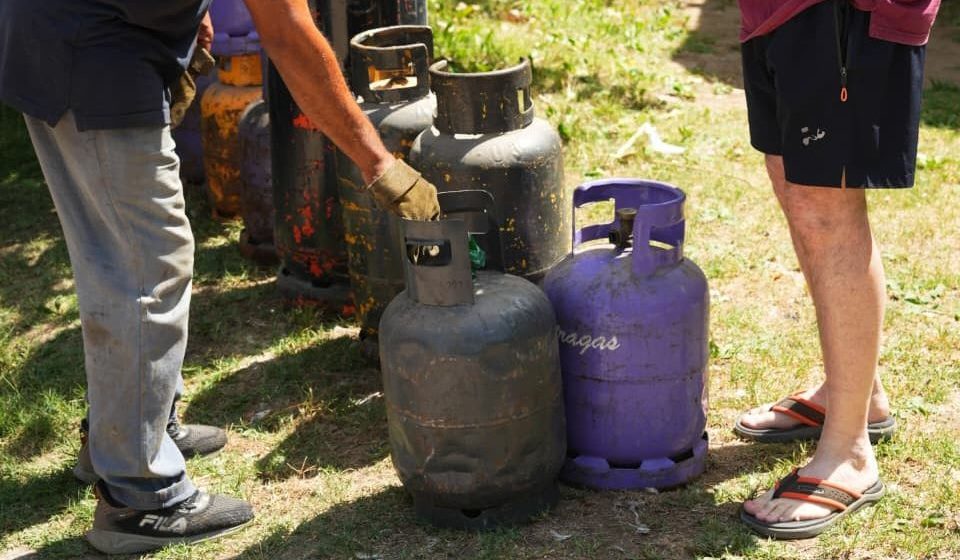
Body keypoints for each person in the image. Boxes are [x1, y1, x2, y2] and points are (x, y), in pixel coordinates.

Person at [0, 0, 438, 554]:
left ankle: (136, 430)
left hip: (78, 29)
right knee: (144, 265)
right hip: (87, 48)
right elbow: (289, 35)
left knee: (119, 253)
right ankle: (141, 495)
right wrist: (378, 163)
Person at [733, 0, 941, 540]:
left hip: (845, 11)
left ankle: (849, 452)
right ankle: (857, 396)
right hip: (775, 11)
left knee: (826, 207)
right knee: (798, 190)